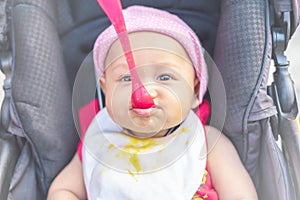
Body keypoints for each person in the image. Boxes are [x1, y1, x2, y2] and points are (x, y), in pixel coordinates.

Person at [47, 5, 258, 200]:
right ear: (106, 89)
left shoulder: (209, 142)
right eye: (126, 78)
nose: (143, 91)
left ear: (194, 90)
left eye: (165, 77)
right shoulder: (99, 140)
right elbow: (64, 190)